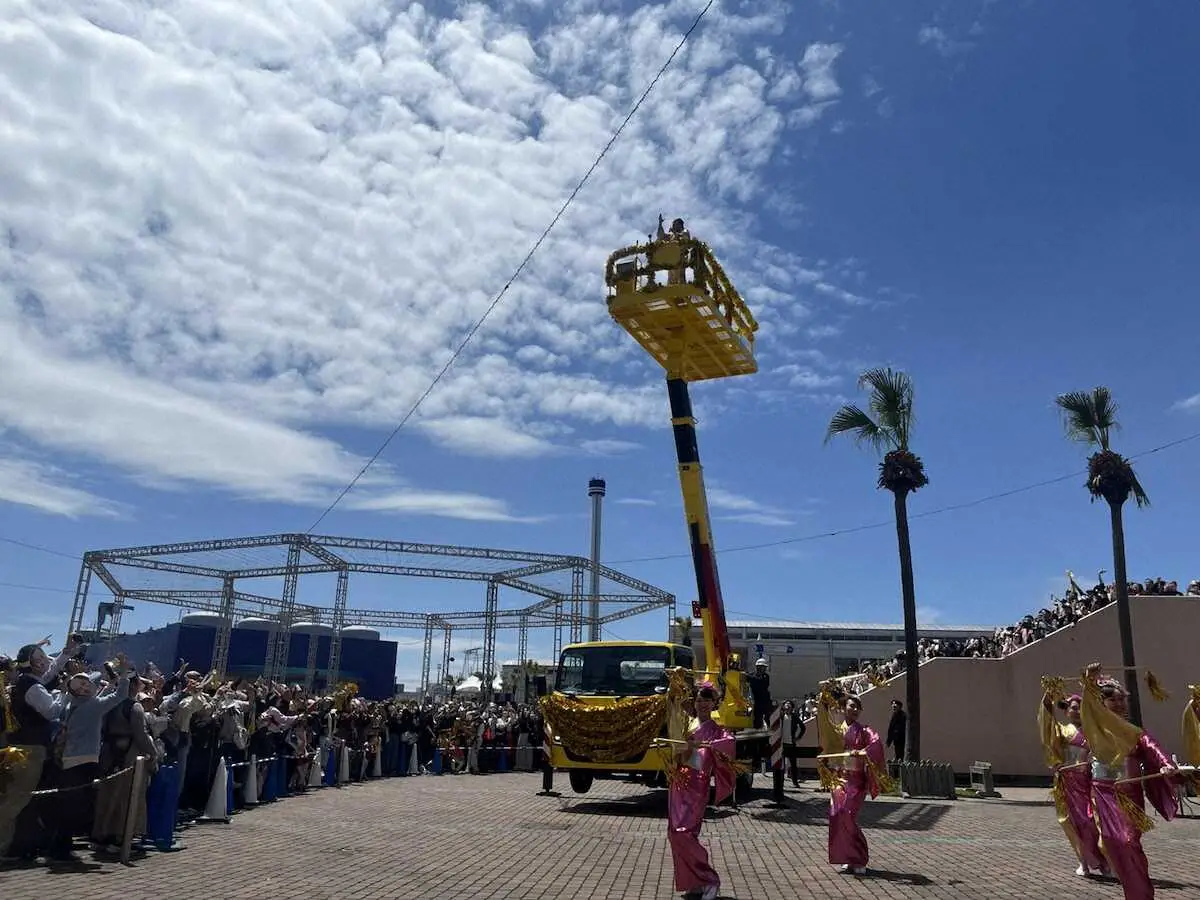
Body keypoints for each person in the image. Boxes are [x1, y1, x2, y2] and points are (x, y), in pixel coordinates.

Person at [1078, 664, 1180, 900]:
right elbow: (1088, 708)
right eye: (1112, 700)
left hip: (1129, 796)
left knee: (1128, 842)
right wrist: (1090, 681)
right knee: (1115, 845)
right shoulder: (1096, 731)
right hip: (1104, 795)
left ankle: (1141, 895)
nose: (1119, 704)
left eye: (1122, 699)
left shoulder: (1134, 732)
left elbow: (1153, 747)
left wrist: (1166, 764)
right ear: (1102, 703)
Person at [667, 680, 736, 900]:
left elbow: (729, 745)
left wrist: (712, 745)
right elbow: (675, 750)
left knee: (683, 832)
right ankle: (694, 881)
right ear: (694, 702)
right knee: (674, 833)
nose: (703, 704)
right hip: (679, 782)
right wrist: (682, 746)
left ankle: (709, 879)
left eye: (708, 700)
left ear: (714, 703)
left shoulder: (717, 730)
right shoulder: (687, 724)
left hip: (698, 785)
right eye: (699, 700)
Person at [816, 685, 888, 876]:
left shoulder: (864, 730)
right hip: (839, 780)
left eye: (858, 707)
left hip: (856, 781)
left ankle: (859, 857)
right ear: (843, 708)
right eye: (851, 706)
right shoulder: (837, 730)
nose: (855, 709)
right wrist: (823, 698)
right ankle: (847, 858)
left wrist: (863, 751)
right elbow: (824, 730)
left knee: (847, 815)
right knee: (836, 816)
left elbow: (876, 745)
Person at [1038, 689, 1105, 877]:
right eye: (1073, 708)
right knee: (1073, 822)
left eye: (1081, 708)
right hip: (1068, 782)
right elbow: (1046, 724)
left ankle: (1102, 860)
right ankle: (1083, 861)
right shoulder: (1061, 730)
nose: (1077, 711)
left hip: (1090, 782)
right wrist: (1048, 700)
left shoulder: (1095, 732)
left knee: (1093, 822)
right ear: (1066, 711)